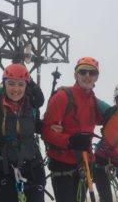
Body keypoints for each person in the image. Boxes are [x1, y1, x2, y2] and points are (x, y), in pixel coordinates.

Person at [41, 57, 108, 202]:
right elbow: (46, 131)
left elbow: (106, 117)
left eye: (92, 73)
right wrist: (70, 141)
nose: (87, 76)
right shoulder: (62, 97)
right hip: (62, 164)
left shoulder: (92, 101)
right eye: (83, 71)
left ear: (97, 77)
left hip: (84, 164)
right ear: (75, 74)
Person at [0, 63, 46, 202]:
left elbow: (33, 126)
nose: (16, 89)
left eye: (21, 84)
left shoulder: (31, 104)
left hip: (32, 167)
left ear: (27, 86)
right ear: (4, 84)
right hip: (4, 169)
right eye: (11, 83)